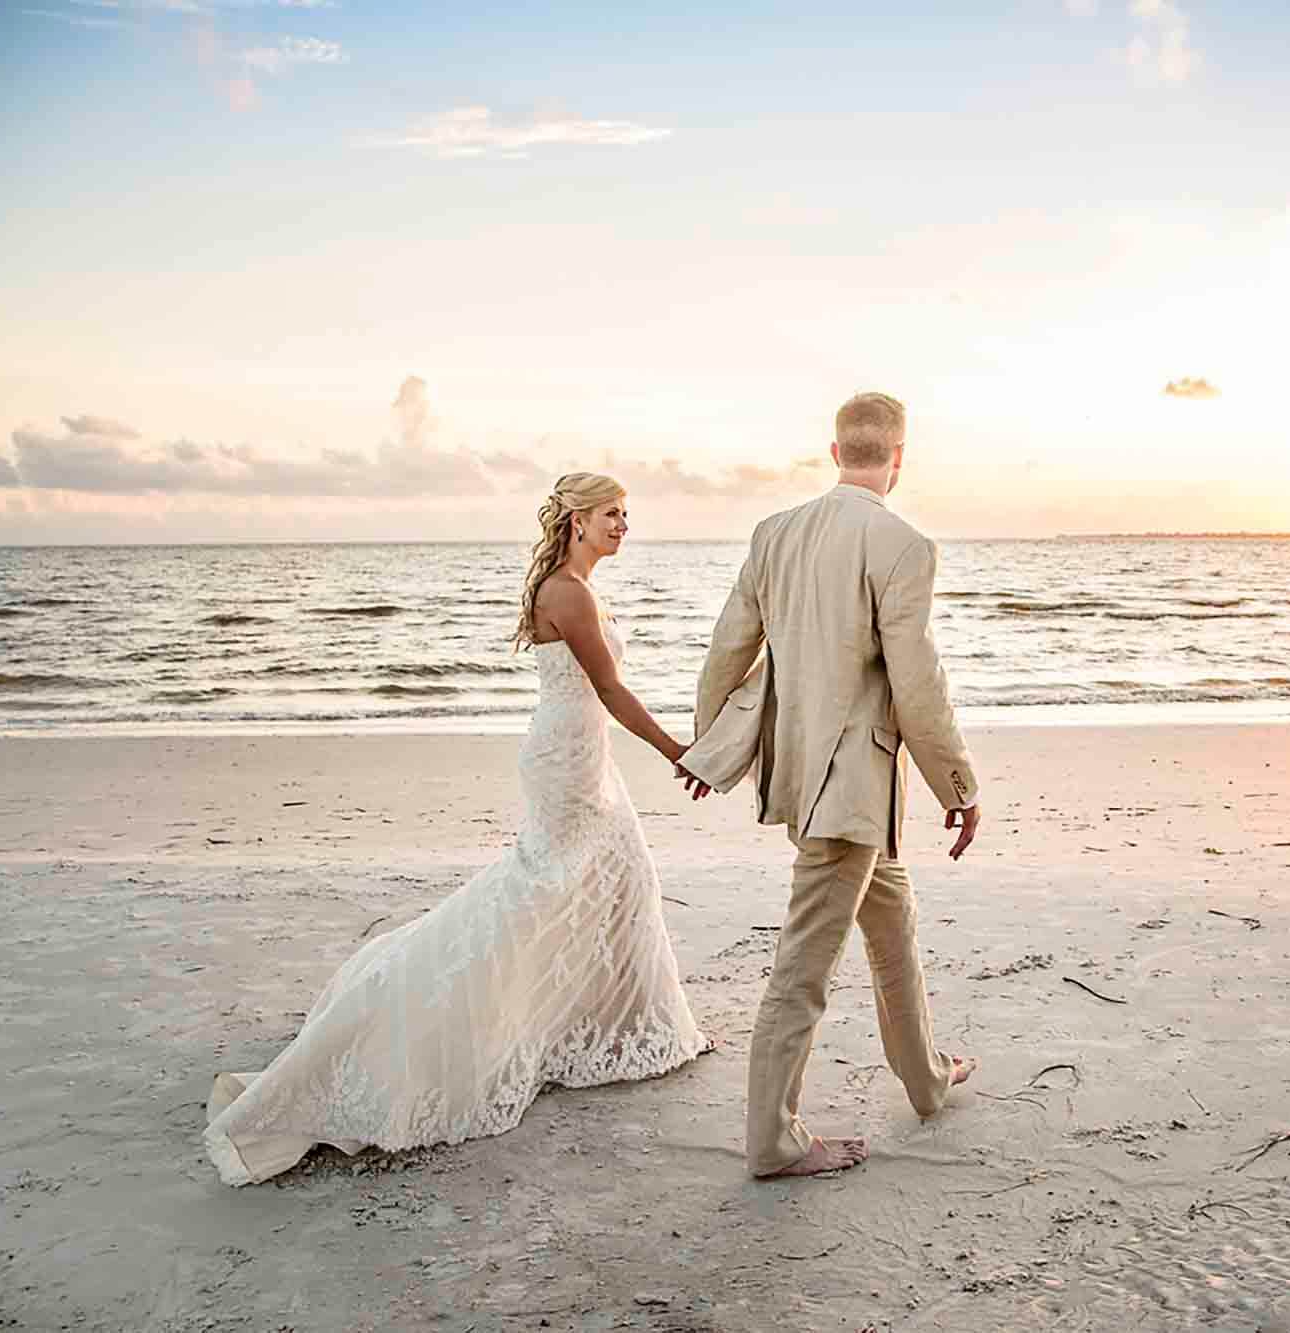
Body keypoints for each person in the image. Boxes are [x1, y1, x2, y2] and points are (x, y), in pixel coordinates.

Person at [201, 472, 707, 1185]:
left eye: (627, 512)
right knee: (549, 892)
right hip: (569, 764)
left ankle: (620, 1026)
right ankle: (548, 1023)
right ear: (576, 521)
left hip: (576, 755)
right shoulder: (568, 592)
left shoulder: (575, 588)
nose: (624, 523)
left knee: (614, 880)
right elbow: (611, 690)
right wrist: (680, 752)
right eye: (611, 513)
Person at [684, 391, 981, 1179]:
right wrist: (958, 784)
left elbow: (726, 651)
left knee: (894, 926)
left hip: (814, 778)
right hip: (849, 793)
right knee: (803, 970)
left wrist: (713, 749)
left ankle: (926, 1079)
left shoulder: (773, 534)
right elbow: (917, 682)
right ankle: (773, 1140)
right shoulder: (903, 543)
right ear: (898, 456)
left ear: (834, 451)